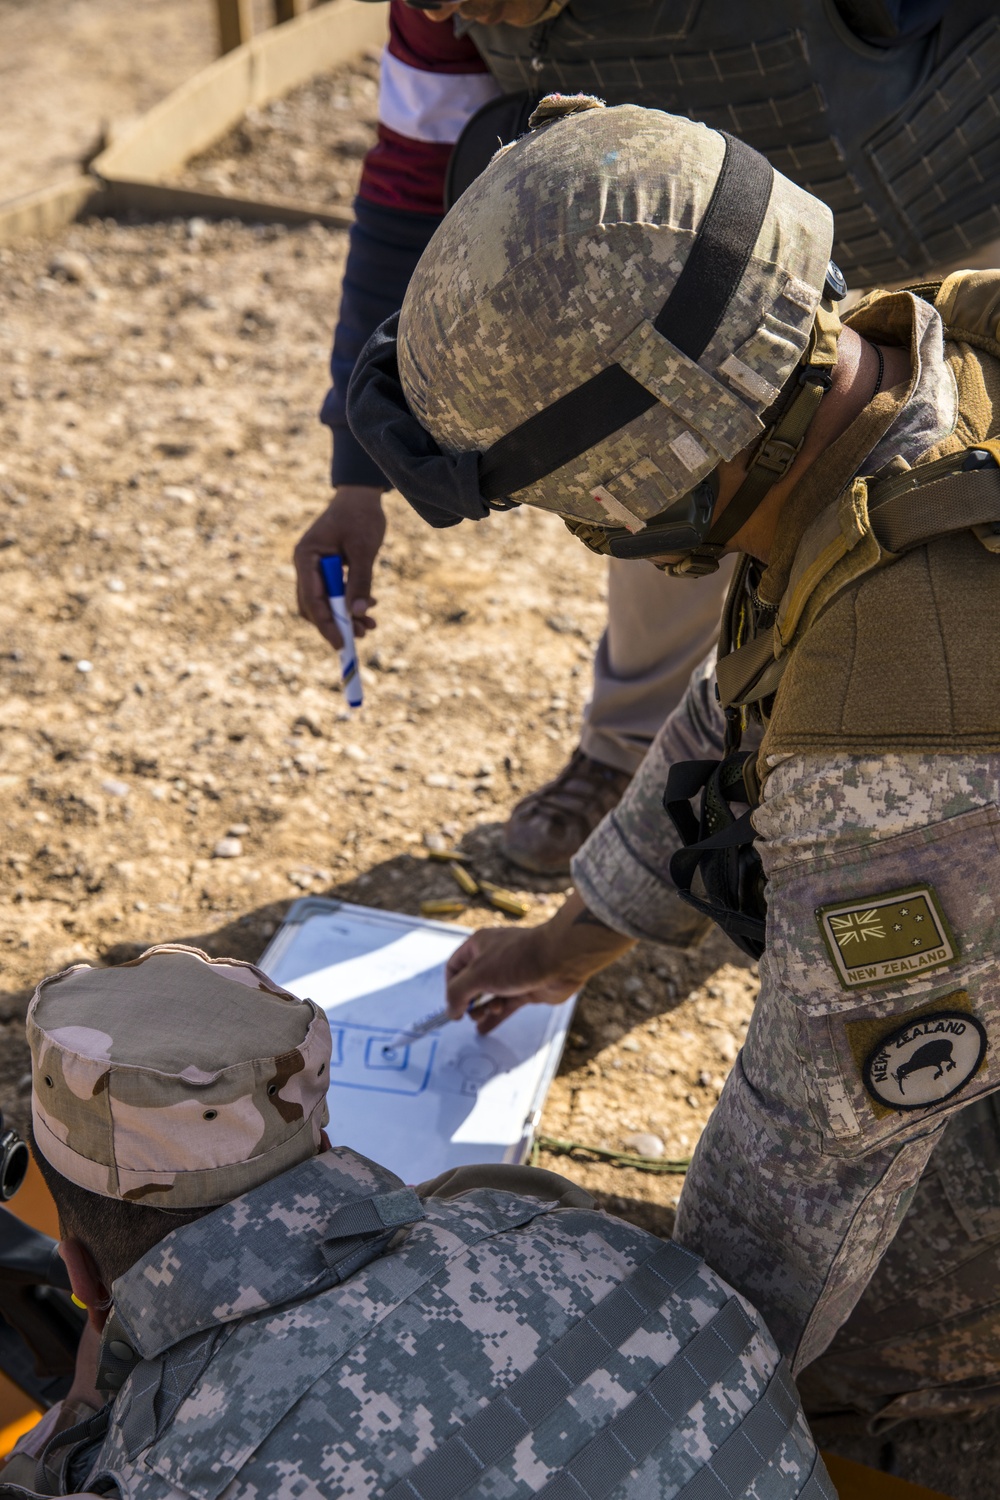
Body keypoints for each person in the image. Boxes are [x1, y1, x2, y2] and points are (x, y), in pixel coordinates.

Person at [345, 93, 1000, 1395]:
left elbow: (818, 1151)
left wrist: (659, 1398)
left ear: (635, 470)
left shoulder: (892, 734)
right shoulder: (893, 370)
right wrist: (575, 934)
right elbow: (741, 689)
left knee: (839, 1321)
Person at [294, 0, 1000, 875]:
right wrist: (357, 481)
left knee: (938, 538)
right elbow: (412, 189)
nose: (438, 10)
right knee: (649, 481)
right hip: (672, 303)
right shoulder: (440, 9)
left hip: (944, 219)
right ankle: (644, 755)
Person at [1, 943, 835, 1499]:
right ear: (313, 1129)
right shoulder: (587, 1241)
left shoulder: (184, 1470)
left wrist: (81, 1416)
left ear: (79, 1277)